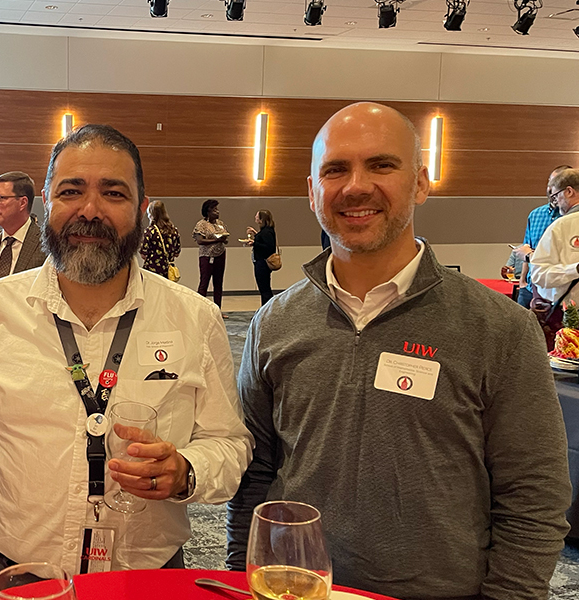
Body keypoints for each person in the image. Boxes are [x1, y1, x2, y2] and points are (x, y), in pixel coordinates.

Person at [226, 102, 570, 600]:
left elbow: (534, 496)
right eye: (335, 170)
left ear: (421, 184)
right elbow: (253, 476)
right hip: (296, 589)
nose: (356, 187)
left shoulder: (499, 328)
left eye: (381, 165)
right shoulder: (275, 323)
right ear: (312, 192)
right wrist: (242, 580)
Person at [0, 124, 252, 600]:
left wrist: (187, 469)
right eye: (71, 191)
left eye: (114, 193)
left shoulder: (194, 318)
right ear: (47, 201)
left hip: (147, 580)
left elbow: (229, 443)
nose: (90, 210)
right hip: (12, 577)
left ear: (141, 209)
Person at [514, 165, 571, 307]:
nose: (551, 189)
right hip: (529, 288)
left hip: (559, 291)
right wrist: (522, 281)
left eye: (556, 184)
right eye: (550, 182)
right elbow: (527, 247)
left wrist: (529, 256)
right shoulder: (535, 215)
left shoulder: (572, 219)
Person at [530, 168, 579, 309]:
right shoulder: (561, 225)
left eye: (556, 196)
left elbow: (538, 274)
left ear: (569, 192)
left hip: (569, 312)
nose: (556, 202)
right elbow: (539, 273)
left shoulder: (561, 225)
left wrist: (574, 269)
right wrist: (574, 269)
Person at [193, 199, 228, 308]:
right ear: (208, 211)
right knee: (204, 283)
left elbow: (223, 237)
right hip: (207, 256)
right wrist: (216, 240)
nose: (217, 212)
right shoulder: (201, 225)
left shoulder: (220, 224)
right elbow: (200, 241)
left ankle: (217, 309)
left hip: (220, 255)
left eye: (217, 209)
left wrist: (223, 240)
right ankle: (200, 309)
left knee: (218, 283)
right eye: (214, 209)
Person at [138, 200, 181, 279]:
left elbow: (143, 254)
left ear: (151, 214)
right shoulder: (173, 231)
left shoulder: (150, 232)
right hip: (167, 272)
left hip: (151, 271)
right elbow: (177, 253)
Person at [244, 210, 277, 306]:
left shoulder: (267, 232)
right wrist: (255, 233)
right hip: (261, 262)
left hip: (263, 263)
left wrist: (254, 243)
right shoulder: (266, 230)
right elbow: (263, 239)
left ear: (261, 219)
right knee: (264, 288)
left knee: (264, 289)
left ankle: (267, 308)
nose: (255, 217)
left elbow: (268, 247)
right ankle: (267, 308)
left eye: (257, 216)